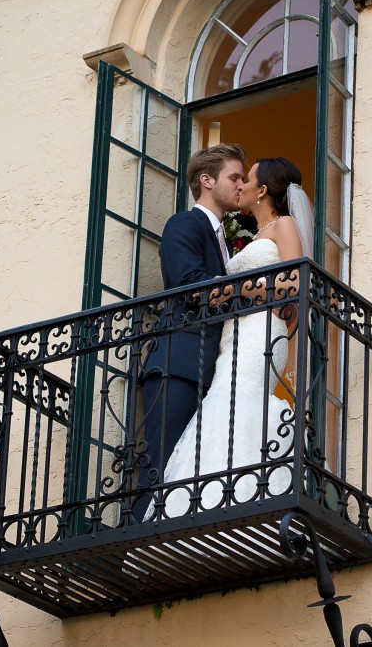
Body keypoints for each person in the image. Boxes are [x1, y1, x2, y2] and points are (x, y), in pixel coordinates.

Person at [149, 157, 315, 519]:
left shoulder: (284, 224)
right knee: (224, 411)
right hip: (230, 340)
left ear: (263, 189)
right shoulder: (242, 236)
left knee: (240, 402)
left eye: (247, 178)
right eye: (235, 178)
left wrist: (238, 289)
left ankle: (239, 499)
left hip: (258, 334)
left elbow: (295, 282)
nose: (241, 185)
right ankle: (212, 502)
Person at [135, 142, 245, 521]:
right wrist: (253, 289)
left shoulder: (223, 238)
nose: (241, 185)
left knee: (188, 471)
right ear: (206, 181)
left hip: (210, 368)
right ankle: (132, 554)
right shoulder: (185, 223)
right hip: (178, 363)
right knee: (160, 469)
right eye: (234, 177)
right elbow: (192, 285)